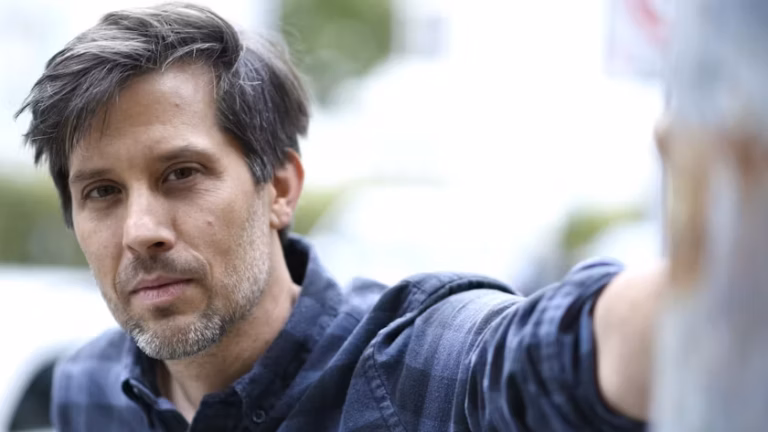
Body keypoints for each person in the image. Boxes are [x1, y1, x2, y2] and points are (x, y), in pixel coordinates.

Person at [17, 3, 661, 431]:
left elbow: (553, 354)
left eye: (181, 174)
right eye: (102, 192)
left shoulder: (407, 371)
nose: (140, 231)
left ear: (279, 188)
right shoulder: (88, 388)